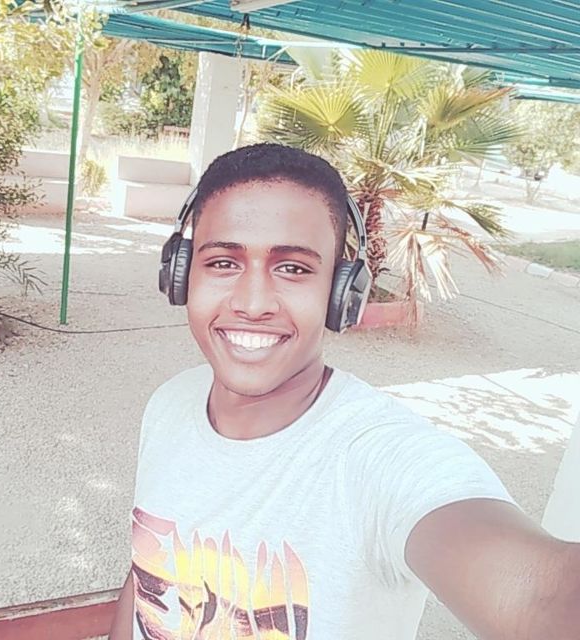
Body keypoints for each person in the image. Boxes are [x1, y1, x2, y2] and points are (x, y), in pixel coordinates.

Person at [110, 143, 579, 640]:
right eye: (224, 262)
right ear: (181, 274)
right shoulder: (170, 404)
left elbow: (542, 595)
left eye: (293, 268)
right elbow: (148, 577)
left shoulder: (384, 459)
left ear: (341, 293)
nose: (252, 303)